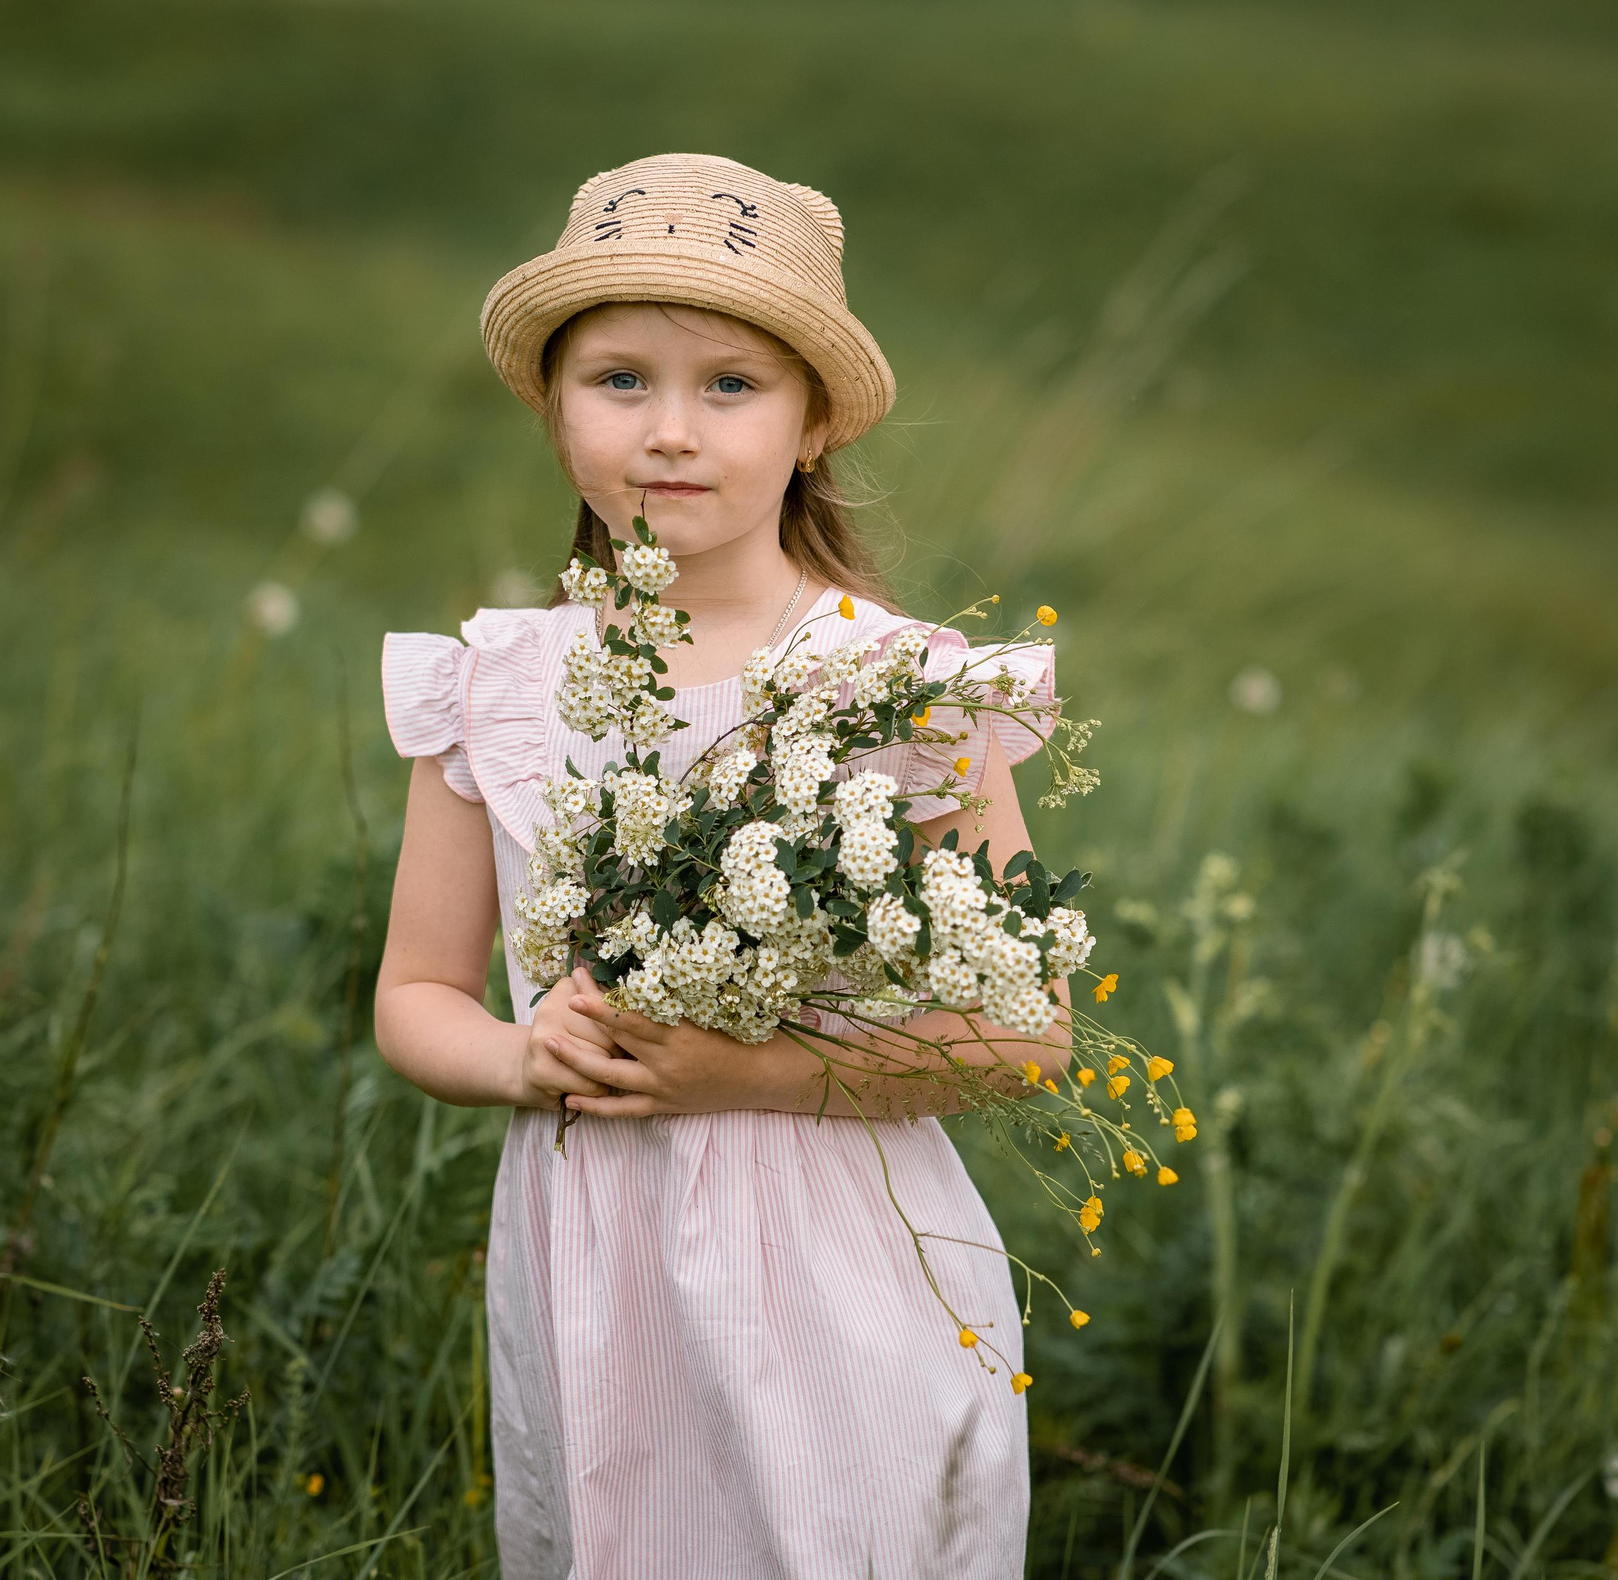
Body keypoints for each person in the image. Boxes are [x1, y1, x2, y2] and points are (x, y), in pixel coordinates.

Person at [371, 152, 1071, 1579]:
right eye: (618, 379)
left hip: (848, 1274)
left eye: (731, 386)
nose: (669, 432)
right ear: (555, 410)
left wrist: (746, 1072)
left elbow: (1026, 1032)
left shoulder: (899, 689)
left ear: (813, 423)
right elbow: (418, 992)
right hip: (596, 1270)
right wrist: (521, 1057)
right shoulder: (502, 684)